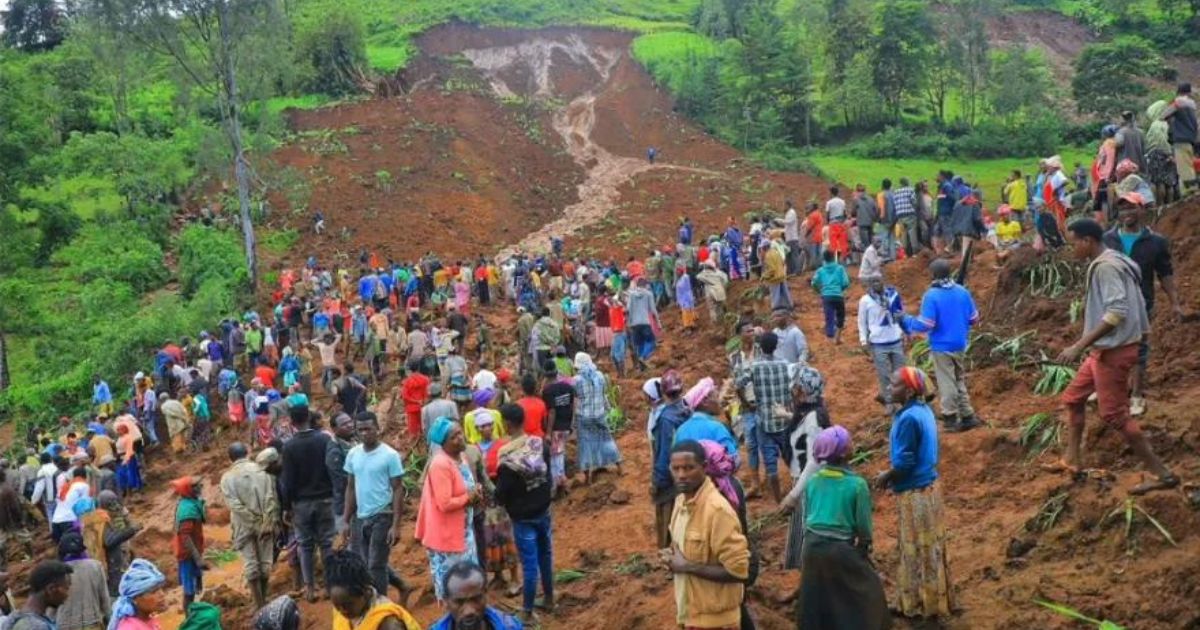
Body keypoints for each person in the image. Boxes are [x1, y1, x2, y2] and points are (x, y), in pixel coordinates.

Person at [1056, 219, 1178, 495]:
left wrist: (1078, 345)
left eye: (1073, 242)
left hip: (1113, 350)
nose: (1071, 248)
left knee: (1114, 415)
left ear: (1087, 241)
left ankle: (1162, 474)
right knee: (1073, 399)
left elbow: (1116, 312)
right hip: (1105, 349)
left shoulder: (1107, 268)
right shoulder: (1114, 259)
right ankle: (1071, 460)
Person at [873, 367, 951, 618]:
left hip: (915, 493)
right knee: (931, 548)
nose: (888, 387)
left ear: (908, 391)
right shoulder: (922, 410)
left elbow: (905, 462)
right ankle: (934, 600)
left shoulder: (907, 419)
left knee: (916, 548)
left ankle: (920, 605)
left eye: (893, 385)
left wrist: (886, 476)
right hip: (929, 488)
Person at [795, 427, 888, 630]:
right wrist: (864, 548)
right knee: (868, 592)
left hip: (811, 548)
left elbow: (807, 519)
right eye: (850, 444)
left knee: (817, 598)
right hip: (839, 549)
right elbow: (863, 528)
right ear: (845, 453)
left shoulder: (813, 481)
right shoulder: (857, 485)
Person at [1101, 194, 1186, 416]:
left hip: (1142, 304)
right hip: (1111, 304)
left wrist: (1174, 302)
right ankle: (1113, 390)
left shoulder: (1155, 242)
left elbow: (1164, 273)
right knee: (1110, 346)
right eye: (1122, 210)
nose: (1126, 213)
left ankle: (1137, 396)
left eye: (1131, 208)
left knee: (1138, 350)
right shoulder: (1108, 239)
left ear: (1142, 210)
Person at [664, 441, 750, 630]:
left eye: (688, 468)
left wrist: (687, 566)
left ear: (704, 467)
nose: (681, 475)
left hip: (717, 622)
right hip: (690, 613)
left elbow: (738, 571)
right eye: (676, 468)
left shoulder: (717, 511)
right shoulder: (680, 502)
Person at [902, 259, 982, 432]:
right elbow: (974, 319)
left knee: (947, 381)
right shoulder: (962, 292)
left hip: (942, 345)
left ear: (933, 275)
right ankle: (967, 415)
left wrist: (906, 320)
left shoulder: (932, 295)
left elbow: (926, 324)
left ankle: (950, 417)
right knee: (959, 378)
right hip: (960, 343)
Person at [494, 405, 554, 623]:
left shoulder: (507, 457)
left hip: (523, 517)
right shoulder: (539, 443)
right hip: (544, 509)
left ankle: (527, 611)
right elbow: (548, 472)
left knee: (529, 564)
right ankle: (549, 598)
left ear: (508, 424)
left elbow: (501, 494)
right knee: (546, 555)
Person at [344, 412, 409, 602]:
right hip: (361, 516)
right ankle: (402, 585)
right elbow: (350, 487)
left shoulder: (389, 455)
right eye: (360, 430)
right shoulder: (353, 454)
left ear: (377, 429)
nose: (364, 433)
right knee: (368, 561)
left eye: (368, 429)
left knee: (375, 566)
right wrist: (346, 520)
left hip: (383, 514)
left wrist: (396, 525)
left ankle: (380, 606)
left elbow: (398, 489)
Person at [415, 419, 481, 603]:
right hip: (447, 537)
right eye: (454, 437)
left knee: (467, 582)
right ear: (443, 443)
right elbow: (445, 503)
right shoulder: (440, 465)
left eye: (460, 433)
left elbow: (466, 487)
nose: (461, 438)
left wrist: (476, 492)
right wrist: (469, 497)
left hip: (463, 531)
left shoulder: (461, 458)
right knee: (453, 588)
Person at [279, 405, 335, 602]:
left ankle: (310, 588)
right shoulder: (325, 439)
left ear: (292, 423)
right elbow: (332, 469)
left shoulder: (289, 446)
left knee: (305, 545)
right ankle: (329, 586)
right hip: (326, 499)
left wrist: (286, 507)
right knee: (327, 544)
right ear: (310, 418)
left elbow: (287, 481)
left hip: (301, 503)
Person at [218, 442, 278, 609]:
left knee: (251, 565)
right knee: (265, 564)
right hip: (264, 523)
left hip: (242, 525)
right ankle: (264, 599)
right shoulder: (262, 471)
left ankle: (259, 604)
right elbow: (270, 498)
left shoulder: (227, 478)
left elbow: (234, 505)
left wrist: (251, 520)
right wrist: (264, 521)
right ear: (247, 452)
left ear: (230, 458)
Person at [327, 550, 421, 630]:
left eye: (348, 605)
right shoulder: (344, 605)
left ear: (366, 592)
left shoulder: (388, 622)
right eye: (337, 606)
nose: (342, 611)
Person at [650, 370, 691, 548]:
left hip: (671, 475)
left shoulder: (665, 419)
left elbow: (664, 452)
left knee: (668, 518)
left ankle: (669, 555)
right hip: (691, 469)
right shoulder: (687, 410)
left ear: (664, 392)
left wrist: (657, 481)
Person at [857, 277, 906, 412]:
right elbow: (862, 322)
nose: (876, 284)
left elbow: (901, 314)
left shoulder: (893, 295)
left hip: (895, 340)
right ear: (869, 284)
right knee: (884, 375)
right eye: (873, 282)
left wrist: (905, 332)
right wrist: (863, 341)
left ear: (883, 282)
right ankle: (889, 402)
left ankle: (901, 400)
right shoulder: (865, 300)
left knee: (900, 374)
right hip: (878, 343)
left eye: (878, 281)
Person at [572, 354, 622, 484]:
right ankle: (619, 465)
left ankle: (587, 477)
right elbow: (603, 394)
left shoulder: (576, 380)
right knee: (606, 440)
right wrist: (608, 408)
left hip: (584, 416)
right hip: (600, 413)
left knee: (586, 445)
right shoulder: (600, 376)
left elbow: (575, 399)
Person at [429, 562, 524, 630]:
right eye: (459, 602)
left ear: (486, 594)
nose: (469, 611)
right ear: (446, 601)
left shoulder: (510, 626)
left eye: (476, 599)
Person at [54, 533, 110, 630]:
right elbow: (104, 600)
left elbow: (50, 608)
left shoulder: (55, 571)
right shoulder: (95, 566)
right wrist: (110, 620)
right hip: (92, 623)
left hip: (64, 625)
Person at [169, 476, 207, 613]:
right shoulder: (187, 509)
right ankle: (189, 620)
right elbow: (185, 536)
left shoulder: (191, 503)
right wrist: (198, 558)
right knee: (188, 590)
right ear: (188, 490)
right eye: (195, 486)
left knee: (195, 585)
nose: (200, 488)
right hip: (187, 554)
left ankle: (192, 614)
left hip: (192, 551)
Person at [673, 378, 738, 459]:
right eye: (716, 396)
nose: (719, 401)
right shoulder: (717, 428)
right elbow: (733, 459)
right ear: (705, 401)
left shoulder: (680, 431)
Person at [6, 561, 73, 630]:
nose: (67, 594)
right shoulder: (35, 626)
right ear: (51, 589)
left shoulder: (14, 618)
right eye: (66, 588)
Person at [541, 363, 576, 491]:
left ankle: (559, 482)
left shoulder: (547, 391)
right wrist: (572, 424)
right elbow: (573, 405)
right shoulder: (568, 387)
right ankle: (560, 480)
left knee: (555, 455)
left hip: (555, 428)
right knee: (560, 452)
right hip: (566, 425)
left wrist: (548, 432)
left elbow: (551, 412)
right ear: (557, 374)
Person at [107, 559, 167, 630]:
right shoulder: (128, 628)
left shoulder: (148, 619)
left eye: (160, 588)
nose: (162, 594)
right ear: (135, 599)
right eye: (153, 592)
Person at [1160, 82, 1197, 192]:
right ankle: (1190, 192)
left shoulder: (1178, 102)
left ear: (1178, 92)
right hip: (1190, 141)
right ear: (1189, 92)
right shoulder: (1192, 105)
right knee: (1189, 166)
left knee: (1184, 169)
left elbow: (1163, 115)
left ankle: (1190, 193)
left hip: (1180, 141)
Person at [326, 413, 356, 539]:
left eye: (350, 421)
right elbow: (342, 482)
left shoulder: (354, 441)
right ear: (334, 429)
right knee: (350, 546)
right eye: (344, 424)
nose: (350, 425)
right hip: (345, 506)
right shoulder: (335, 453)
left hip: (360, 503)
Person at [1144, 100, 1180, 205]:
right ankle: (1171, 205)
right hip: (1171, 154)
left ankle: (1160, 206)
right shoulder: (1170, 123)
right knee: (1170, 183)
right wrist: (1170, 154)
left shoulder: (1156, 125)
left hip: (1156, 154)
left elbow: (1159, 142)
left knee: (1158, 182)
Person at [811, 250, 851, 344]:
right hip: (838, 296)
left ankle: (830, 339)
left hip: (826, 296)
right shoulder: (840, 268)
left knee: (829, 316)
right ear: (833, 257)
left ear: (824, 259)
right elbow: (846, 282)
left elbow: (813, 283)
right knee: (840, 315)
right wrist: (840, 289)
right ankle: (838, 337)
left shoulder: (821, 270)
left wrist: (819, 291)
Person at [625, 278, 659, 371]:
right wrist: (658, 323)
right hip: (645, 322)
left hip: (634, 324)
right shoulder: (648, 294)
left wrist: (629, 322)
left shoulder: (631, 295)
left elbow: (628, 309)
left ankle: (641, 368)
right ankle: (643, 357)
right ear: (645, 285)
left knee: (639, 344)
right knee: (651, 342)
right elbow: (653, 310)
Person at [696, 260, 729, 325]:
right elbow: (726, 280)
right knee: (719, 306)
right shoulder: (719, 273)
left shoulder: (704, 274)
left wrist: (704, 271)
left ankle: (715, 322)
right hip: (720, 291)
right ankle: (722, 320)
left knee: (712, 308)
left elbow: (698, 276)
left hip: (710, 293)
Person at [515, 375, 548, 439]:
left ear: (522, 388)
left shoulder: (518, 404)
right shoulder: (541, 404)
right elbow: (544, 424)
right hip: (538, 437)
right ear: (535, 388)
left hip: (523, 438)